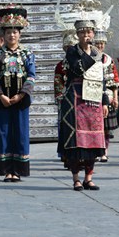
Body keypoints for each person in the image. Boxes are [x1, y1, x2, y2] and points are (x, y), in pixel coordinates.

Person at [58, 19, 108, 191]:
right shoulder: (72, 51)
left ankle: (89, 177)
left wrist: (105, 101)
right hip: (75, 98)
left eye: (89, 32)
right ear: (77, 35)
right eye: (82, 33)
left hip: (93, 98)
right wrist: (94, 56)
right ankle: (76, 178)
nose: (86, 36)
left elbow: (102, 79)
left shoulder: (98, 53)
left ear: (93, 34)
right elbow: (78, 69)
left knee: (93, 139)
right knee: (76, 140)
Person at [0, 6, 36, 182]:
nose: (12, 35)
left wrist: (21, 95)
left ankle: (19, 170)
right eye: (8, 32)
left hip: (21, 100)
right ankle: (7, 170)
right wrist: (1, 96)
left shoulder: (27, 54)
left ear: (20, 34)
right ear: (4, 34)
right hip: (2, 101)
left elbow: (31, 76)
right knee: (3, 134)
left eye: (15, 32)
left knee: (21, 134)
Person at [93, 29, 119, 163]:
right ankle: (96, 150)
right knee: (95, 126)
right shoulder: (89, 58)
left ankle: (105, 151)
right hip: (93, 94)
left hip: (107, 96)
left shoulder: (109, 60)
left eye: (102, 43)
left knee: (106, 127)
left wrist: (115, 97)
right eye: (97, 43)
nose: (100, 46)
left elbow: (115, 79)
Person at [55, 30, 78, 169]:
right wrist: (61, 98)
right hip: (65, 100)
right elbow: (58, 83)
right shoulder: (60, 65)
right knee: (65, 127)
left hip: (80, 99)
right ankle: (65, 155)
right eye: (67, 48)